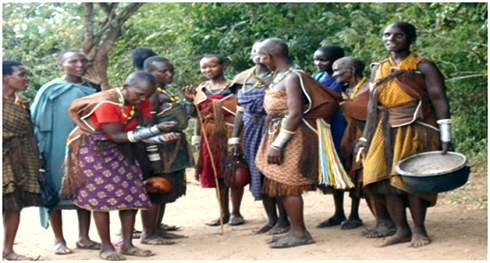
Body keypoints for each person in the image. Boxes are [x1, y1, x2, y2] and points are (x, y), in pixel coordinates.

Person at [62, 71, 180, 260]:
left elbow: (137, 130)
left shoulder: (140, 101)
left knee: (132, 192)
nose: (143, 99)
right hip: (94, 148)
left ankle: (127, 244)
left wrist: (158, 137)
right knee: (101, 198)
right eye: (140, 94)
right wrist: (156, 131)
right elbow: (117, 135)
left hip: (122, 148)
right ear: (125, 88)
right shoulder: (107, 104)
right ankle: (106, 247)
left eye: (148, 96)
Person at [356, 21, 452, 248]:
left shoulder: (423, 66)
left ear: (410, 39)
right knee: (383, 180)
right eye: (386, 34)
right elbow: (372, 107)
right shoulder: (378, 68)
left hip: (416, 128)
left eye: (398, 35)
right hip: (384, 130)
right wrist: (364, 139)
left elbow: (439, 100)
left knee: (412, 181)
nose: (391, 39)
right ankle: (401, 230)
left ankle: (419, 230)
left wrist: (445, 135)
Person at [254, 38, 346, 248]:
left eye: (260, 55)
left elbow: (295, 113)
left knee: (289, 185)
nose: (258, 59)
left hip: (291, 135)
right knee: (284, 186)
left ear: (269, 56)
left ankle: (300, 233)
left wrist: (279, 144)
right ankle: (295, 230)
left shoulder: (293, 77)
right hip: (277, 131)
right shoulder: (280, 76)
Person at [30, 49, 101, 255]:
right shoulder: (49, 90)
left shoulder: (94, 88)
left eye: (83, 61)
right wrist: (40, 153)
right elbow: (36, 120)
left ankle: (84, 237)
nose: (79, 65)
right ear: (61, 64)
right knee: (55, 188)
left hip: (87, 146)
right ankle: (59, 239)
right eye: (73, 61)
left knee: (86, 189)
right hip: (55, 146)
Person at [229, 40, 290, 235]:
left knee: (275, 174)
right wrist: (234, 138)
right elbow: (240, 110)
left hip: (272, 129)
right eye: (254, 51)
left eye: (261, 52)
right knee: (257, 175)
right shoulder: (243, 78)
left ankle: (284, 220)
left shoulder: (280, 76)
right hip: (250, 131)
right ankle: (271, 220)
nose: (258, 55)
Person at [135, 56, 196, 245]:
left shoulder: (164, 92)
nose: (169, 74)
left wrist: (188, 102)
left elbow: (182, 116)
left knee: (166, 189)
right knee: (156, 188)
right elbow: (147, 128)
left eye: (171, 71)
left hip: (173, 147)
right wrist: (154, 153)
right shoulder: (152, 95)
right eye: (163, 71)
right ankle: (148, 233)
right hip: (159, 150)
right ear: (150, 73)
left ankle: (157, 229)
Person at [191, 54, 246, 226]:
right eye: (204, 67)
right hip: (210, 135)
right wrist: (197, 136)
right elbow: (198, 115)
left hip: (231, 133)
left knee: (234, 171)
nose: (208, 70)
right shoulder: (201, 89)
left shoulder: (234, 87)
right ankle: (223, 212)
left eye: (212, 66)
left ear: (223, 66)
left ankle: (236, 212)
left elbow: (241, 112)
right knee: (217, 174)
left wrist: (237, 138)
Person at [3, 60, 43, 261]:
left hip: (18, 156)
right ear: (4, 78)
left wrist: (37, 162)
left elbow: (29, 134)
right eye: (21, 75)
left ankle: (8, 250)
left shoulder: (22, 103)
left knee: (13, 203)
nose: (26, 79)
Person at [312, 45, 355, 229]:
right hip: (324, 127)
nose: (318, 63)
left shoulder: (341, 80)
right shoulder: (318, 77)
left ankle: (354, 214)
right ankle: (339, 212)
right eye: (316, 59)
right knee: (333, 167)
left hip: (341, 125)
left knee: (349, 166)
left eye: (323, 60)